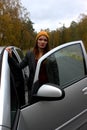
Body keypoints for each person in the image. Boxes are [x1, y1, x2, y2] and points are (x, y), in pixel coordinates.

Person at [6, 30, 50, 104]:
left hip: (46, 87)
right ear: (37, 41)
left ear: (47, 42)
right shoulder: (29, 54)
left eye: (45, 40)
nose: (42, 42)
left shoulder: (50, 55)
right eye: (40, 39)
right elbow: (18, 67)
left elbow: (55, 75)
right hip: (33, 87)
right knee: (32, 108)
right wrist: (11, 57)